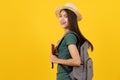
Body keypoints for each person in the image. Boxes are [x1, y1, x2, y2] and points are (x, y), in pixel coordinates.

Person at [50, 2, 94, 80]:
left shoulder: (69, 36)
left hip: (66, 77)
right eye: (60, 16)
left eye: (66, 16)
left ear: (72, 18)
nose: (62, 19)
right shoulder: (69, 36)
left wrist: (57, 60)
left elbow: (77, 61)